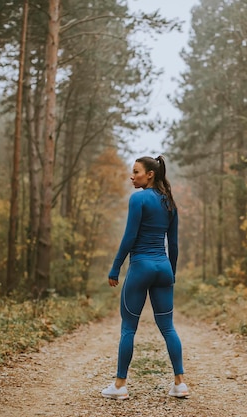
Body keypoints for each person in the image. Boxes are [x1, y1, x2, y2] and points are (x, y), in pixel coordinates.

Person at [101, 155, 189, 400]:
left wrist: (115, 268)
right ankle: (180, 383)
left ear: (150, 174)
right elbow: (173, 244)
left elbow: (129, 237)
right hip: (162, 268)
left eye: (136, 172)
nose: (132, 176)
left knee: (128, 328)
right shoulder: (170, 203)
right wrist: (171, 272)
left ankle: (119, 386)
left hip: (140, 267)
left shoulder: (138, 199)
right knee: (168, 328)